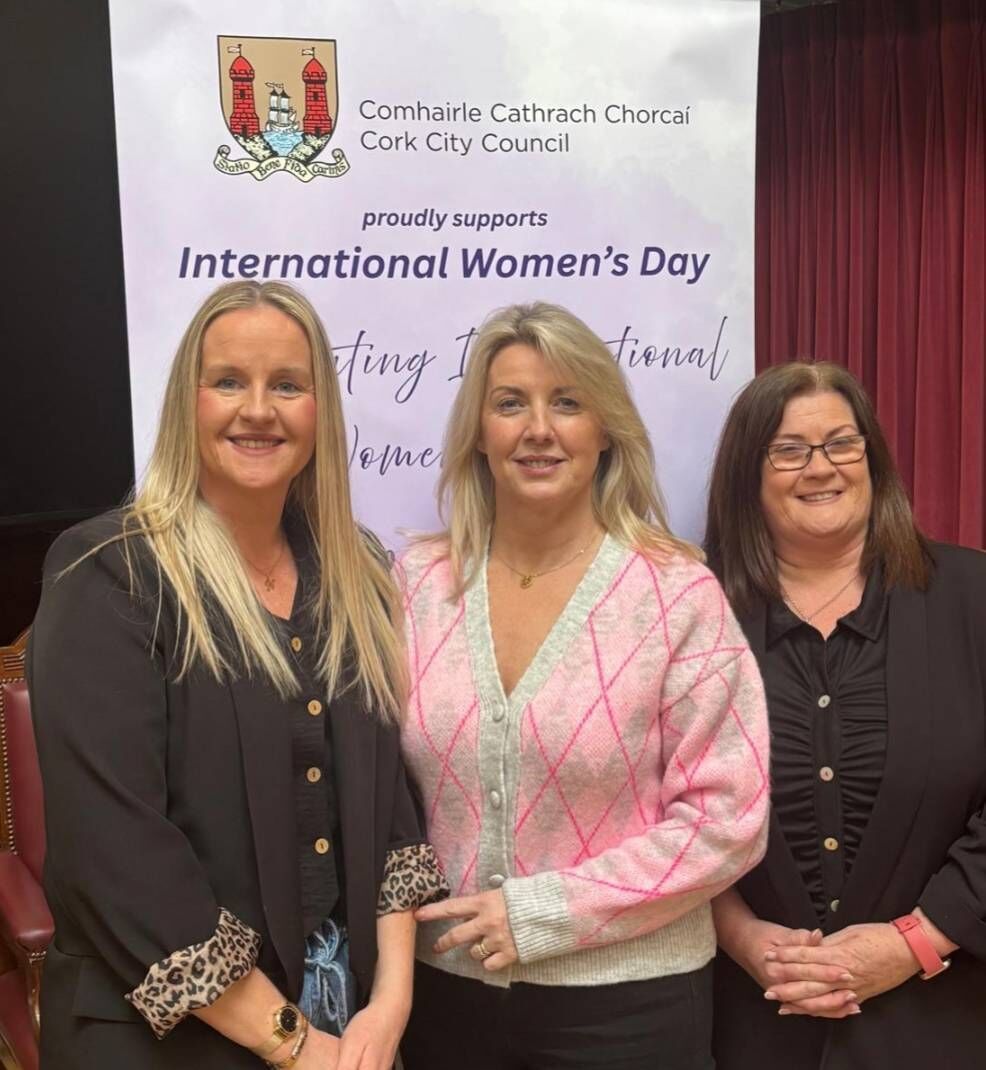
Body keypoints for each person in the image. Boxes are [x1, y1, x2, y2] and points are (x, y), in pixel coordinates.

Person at [27, 280, 447, 1070]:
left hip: (344, 1020)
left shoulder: (356, 570)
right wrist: (291, 1043)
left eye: (287, 385)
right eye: (229, 382)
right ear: (187, 404)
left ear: (320, 411)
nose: (259, 409)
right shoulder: (108, 573)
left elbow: (391, 803)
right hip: (157, 1032)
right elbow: (114, 850)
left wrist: (389, 1004)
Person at [395, 301, 770, 1070]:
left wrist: (541, 915)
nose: (539, 428)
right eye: (511, 404)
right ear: (479, 433)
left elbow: (728, 819)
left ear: (605, 431)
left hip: (629, 1008)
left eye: (567, 402)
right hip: (443, 1004)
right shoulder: (417, 586)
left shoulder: (674, 593)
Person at [705, 361, 986, 1070]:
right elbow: (647, 803)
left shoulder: (974, 597)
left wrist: (915, 942)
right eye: (789, 450)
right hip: (748, 1026)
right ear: (748, 473)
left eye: (842, 443)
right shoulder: (690, 610)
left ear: (874, 458)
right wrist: (740, 937)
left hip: (948, 1022)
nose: (820, 467)